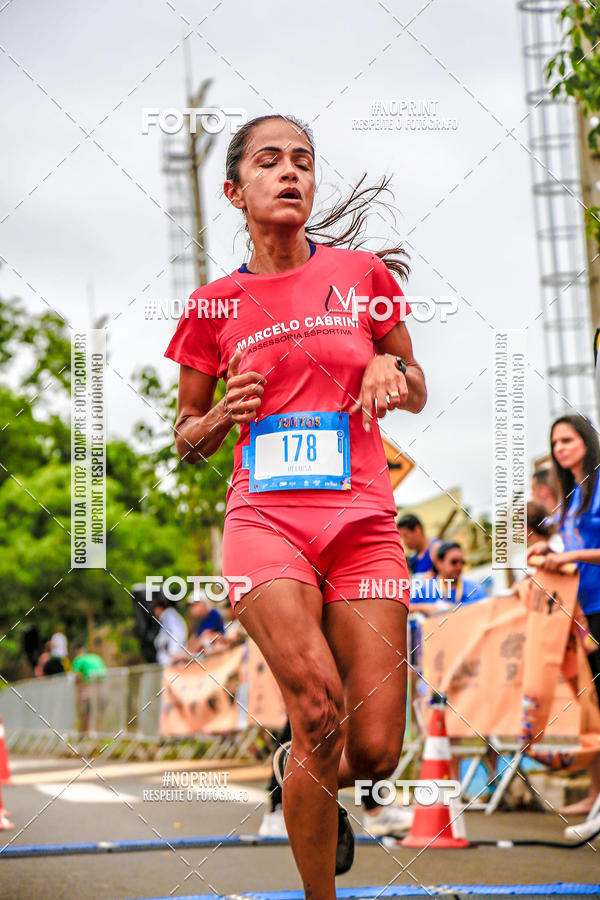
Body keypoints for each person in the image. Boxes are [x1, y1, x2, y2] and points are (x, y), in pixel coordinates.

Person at [165, 113, 426, 897]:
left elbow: (415, 381)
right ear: (234, 189)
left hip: (362, 524)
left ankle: (298, 766)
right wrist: (218, 419)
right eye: (270, 161)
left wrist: (391, 374)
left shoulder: (363, 278)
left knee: (374, 749)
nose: (291, 173)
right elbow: (186, 436)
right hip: (266, 523)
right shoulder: (213, 305)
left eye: (303, 161)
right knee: (318, 708)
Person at [527, 413, 600, 816]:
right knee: (593, 707)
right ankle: (596, 797)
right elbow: (567, 546)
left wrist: (571, 555)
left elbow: (583, 550)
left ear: (587, 442)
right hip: (582, 612)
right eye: (555, 443)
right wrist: (548, 552)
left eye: (568, 440)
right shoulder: (573, 496)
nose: (560, 449)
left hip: (598, 606)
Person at [412, 540, 487, 608]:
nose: (459, 566)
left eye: (462, 562)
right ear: (439, 564)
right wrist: (425, 608)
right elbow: (407, 608)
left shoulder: (475, 588)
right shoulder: (423, 589)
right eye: (454, 562)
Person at [72, 646, 107, 732]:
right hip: (102, 686)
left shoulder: (79, 659)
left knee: (85, 711)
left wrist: (77, 690)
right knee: (99, 710)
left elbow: (76, 675)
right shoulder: (97, 657)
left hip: (89, 686)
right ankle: (99, 731)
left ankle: (84, 733)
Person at [186, 589, 225, 655]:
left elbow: (204, 637)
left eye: (194, 605)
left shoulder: (213, 614)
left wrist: (189, 652)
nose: (191, 608)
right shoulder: (200, 619)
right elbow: (193, 640)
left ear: (203, 604)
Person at [153, 596, 188, 666]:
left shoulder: (169, 616)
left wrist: (173, 654)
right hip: (173, 659)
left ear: (159, 608)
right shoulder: (168, 616)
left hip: (175, 660)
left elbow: (176, 634)